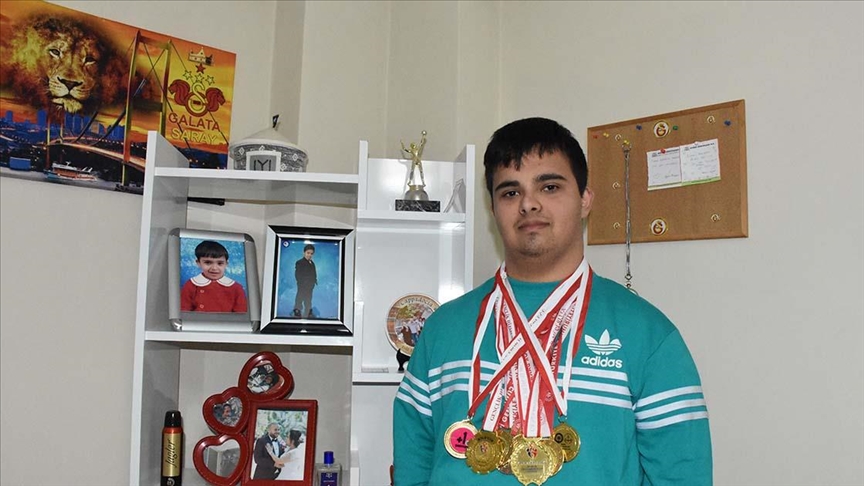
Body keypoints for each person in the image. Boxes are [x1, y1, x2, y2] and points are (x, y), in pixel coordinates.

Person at [393, 118, 712, 485]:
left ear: (585, 199)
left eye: (549, 187)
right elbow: (412, 470)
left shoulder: (648, 334)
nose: (529, 204)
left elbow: (682, 476)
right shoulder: (442, 329)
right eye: (510, 192)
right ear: (493, 209)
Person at [180, 240, 247, 313]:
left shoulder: (236, 288)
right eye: (208, 262)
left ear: (226, 264)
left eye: (220, 263)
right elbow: (184, 311)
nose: (214, 268)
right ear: (198, 263)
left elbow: (241, 315)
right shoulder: (191, 285)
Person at [293, 244, 317, 318]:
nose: (309, 255)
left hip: (310, 285)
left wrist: (314, 281)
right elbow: (298, 274)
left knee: (308, 298)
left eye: (311, 253)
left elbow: (314, 273)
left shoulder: (312, 263)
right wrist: (302, 283)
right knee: (300, 297)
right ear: (304, 253)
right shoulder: (300, 262)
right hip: (302, 285)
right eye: (308, 253)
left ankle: (308, 311)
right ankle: (297, 310)